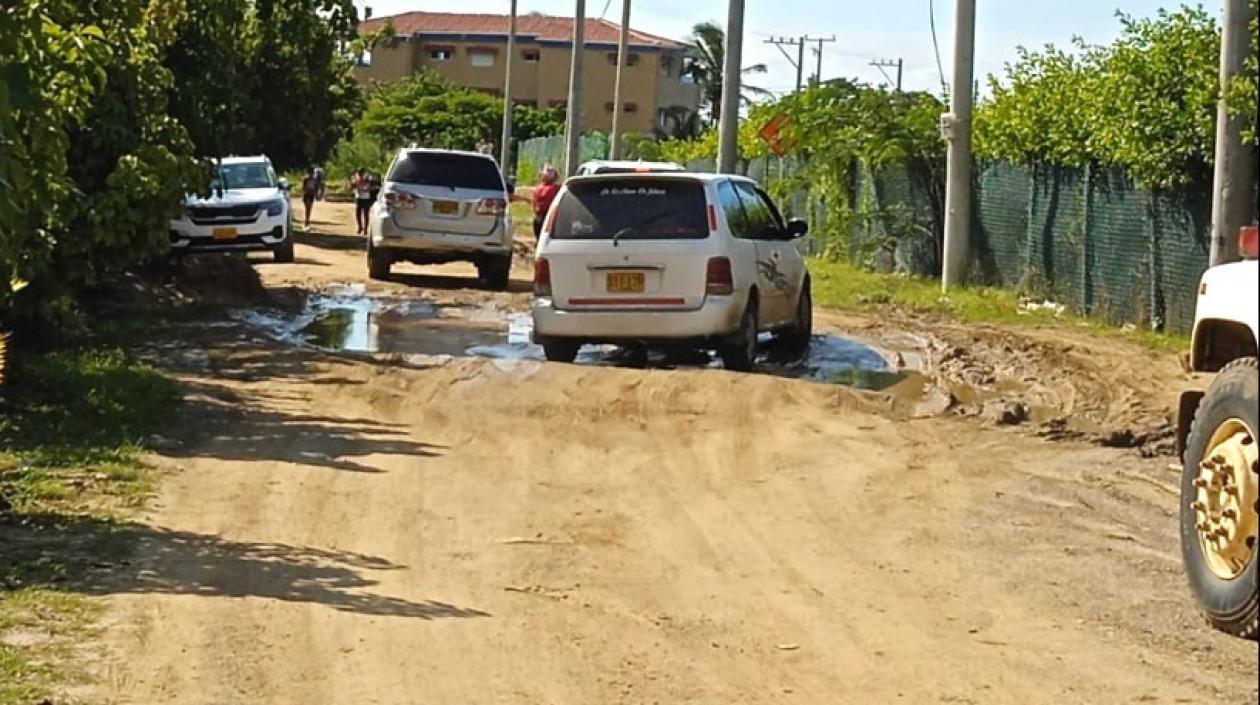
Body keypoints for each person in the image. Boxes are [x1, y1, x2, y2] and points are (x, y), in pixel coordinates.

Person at [532, 165, 561, 240]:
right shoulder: (538, 188)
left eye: (550, 171)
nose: (548, 173)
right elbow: (535, 201)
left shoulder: (557, 187)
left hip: (550, 215)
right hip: (539, 215)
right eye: (547, 170)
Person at [350, 168, 373, 235]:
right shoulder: (356, 177)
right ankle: (360, 227)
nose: (360, 174)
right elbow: (352, 186)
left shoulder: (367, 177)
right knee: (358, 213)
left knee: (365, 213)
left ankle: (365, 228)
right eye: (359, 173)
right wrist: (354, 183)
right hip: (359, 197)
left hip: (366, 197)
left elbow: (370, 185)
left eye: (361, 173)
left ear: (363, 172)